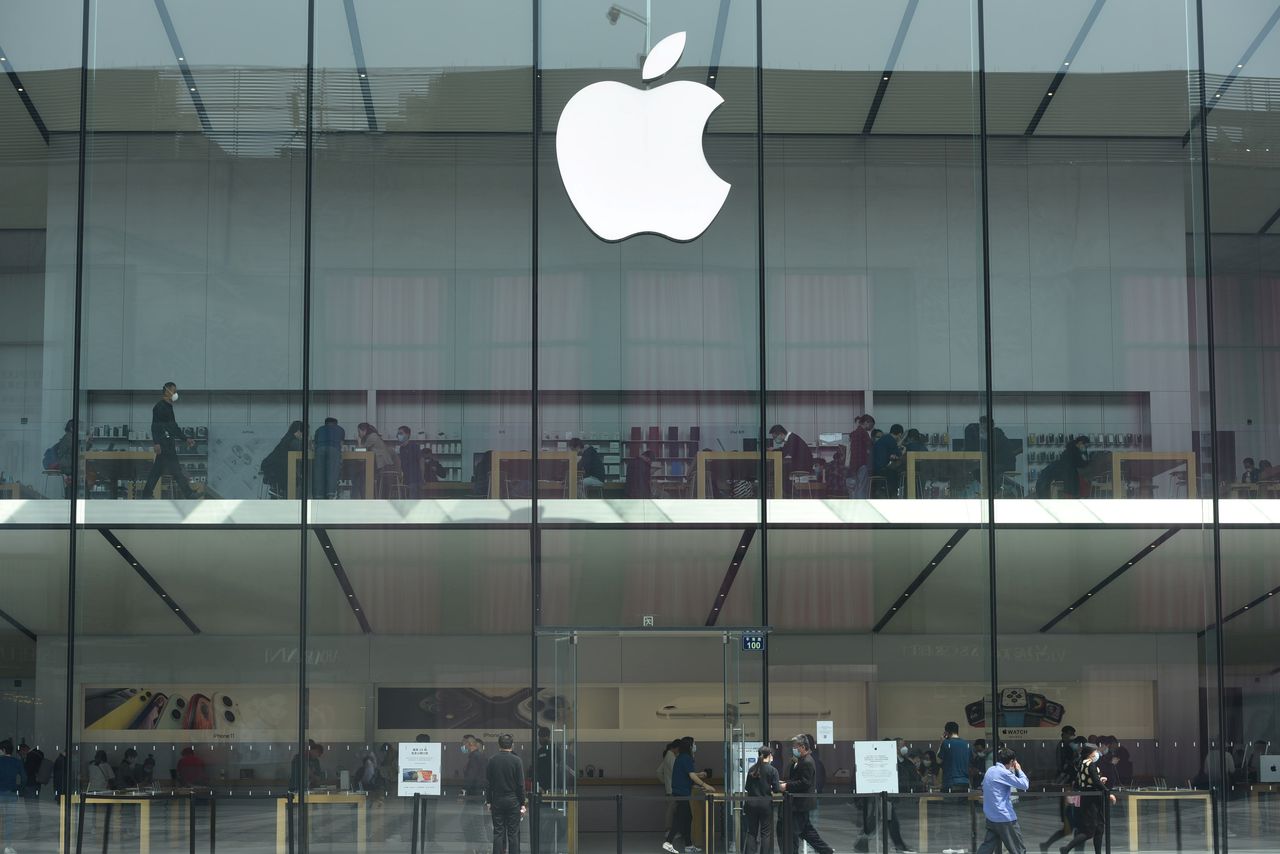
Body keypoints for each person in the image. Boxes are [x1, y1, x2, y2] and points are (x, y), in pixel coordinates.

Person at [140, 382, 197, 499]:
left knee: (161, 471)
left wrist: (185, 438)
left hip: (168, 443)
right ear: (167, 391)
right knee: (174, 470)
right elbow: (154, 426)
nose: (176, 394)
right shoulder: (159, 407)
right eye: (174, 391)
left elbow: (173, 427)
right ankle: (188, 493)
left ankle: (146, 494)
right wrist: (156, 443)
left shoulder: (168, 407)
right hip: (163, 444)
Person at [779, 734, 831, 854]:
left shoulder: (807, 761)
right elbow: (796, 778)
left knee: (795, 832)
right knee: (806, 831)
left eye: (795, 747)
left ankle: (825, 850)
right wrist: (787, 781)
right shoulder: (800, 760)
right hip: (799, 804)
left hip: (800, 804)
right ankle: (826, 851)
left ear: (802, 747)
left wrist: (786, 786)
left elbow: (805, 783)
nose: (793, 749)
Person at [1059, 743, 1115, 854]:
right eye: (1095, 751)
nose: (1097, 753)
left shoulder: (1082, 764)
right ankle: (1066, 848)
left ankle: (1097, 852)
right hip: (1092, 799)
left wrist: (1099, 780)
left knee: (1099, 828)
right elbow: (1095, 781)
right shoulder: (1091, 765)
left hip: (1089, 797)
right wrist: (1108, 792)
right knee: (1090, 831)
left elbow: (1085, 781)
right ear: (1090, 754)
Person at [663, 736, 715, 854]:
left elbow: (688, 773)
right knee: (682, 819)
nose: (695, 746)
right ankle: (669, 842)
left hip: (680, 792)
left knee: (685, 818)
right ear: (690, 746)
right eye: (694, 744)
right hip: (682, 793)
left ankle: (688, 845)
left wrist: (698, 774)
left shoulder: (681, 757)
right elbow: (691, 775)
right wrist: (705, 785)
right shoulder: (686, 758)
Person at [976, 747, 1029, 854]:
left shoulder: (990, 770)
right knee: (1018, 849)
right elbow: (1024, 785)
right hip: (1005, 818)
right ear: (1011, 761)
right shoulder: (1004, 773)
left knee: (987, 847)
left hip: (991, 817)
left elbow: (983, 785)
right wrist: (1019, 769)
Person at [485, 733, 526, 854]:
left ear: (499, 745)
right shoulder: (517, 760)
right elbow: (520, 784)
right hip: (513, 800)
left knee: (498, 832)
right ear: (512, 745)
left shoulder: (492, 760)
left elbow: (488, 783)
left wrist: (489, 801)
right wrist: (522, 803)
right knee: (513, 833)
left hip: (497, 799)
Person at [1042, 727, 1079, 852]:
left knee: (1070, 828)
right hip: (1068, 789)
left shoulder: (1064, 746)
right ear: (1065, 734)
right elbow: (1063, 766)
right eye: (1070, 735)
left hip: (1067, 788)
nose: (1071, 737)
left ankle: (1048, 845)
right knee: (1071, 827)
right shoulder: (1064, 746)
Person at [937, 722, 972, 854]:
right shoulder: (967, 744)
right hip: (964, 783)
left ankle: (952, 846)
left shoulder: (946, 743)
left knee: (949, 816)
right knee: (962, 816)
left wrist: (941, 743)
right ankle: (962, 846)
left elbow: (939, 760)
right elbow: (970, 761)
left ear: (946, 732)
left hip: (950, 783)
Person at [744, 745, 781, 854]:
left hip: (751, 804)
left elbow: (747, 787)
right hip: (765, 805)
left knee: (752, 832)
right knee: (765, 833)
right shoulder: (773, 770)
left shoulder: (752, 769)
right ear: (769, 756)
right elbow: (776, 789)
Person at [260, 420, 303, 498]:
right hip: (277, 467)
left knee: (294, 477)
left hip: (270, 465)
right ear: (298, 431)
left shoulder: (287, 437)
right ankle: (281, 492)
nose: (302, 435)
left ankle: (277, 491)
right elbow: (302, 449)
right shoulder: (293, 440)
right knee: (296, 480)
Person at [462, 735, 489, 854]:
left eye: (463, 744)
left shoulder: (475, 757)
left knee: (477, 822)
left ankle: (483, 847)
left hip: (475, 794)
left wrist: (464, 789)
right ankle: (475, 846)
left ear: (469, 744)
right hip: (477, 793)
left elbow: (471, 776)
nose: (462, 746)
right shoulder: (478, 756)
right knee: (467, 819)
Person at [769, 425, 814, 493]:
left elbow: (784, 452)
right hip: (803, 464)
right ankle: (788, 491)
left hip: (803, 465)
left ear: (781, 434)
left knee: (781, 468)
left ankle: (787, 492)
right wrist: (774, 450)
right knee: (783, 468)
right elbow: (785, 450)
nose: (774, 440)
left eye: (775, 437)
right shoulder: (791, 438)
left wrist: (773, 451)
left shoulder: (792, 439)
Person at [357, 423, 398, 495]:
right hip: (382, 464)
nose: (358, 433)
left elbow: (361, 450)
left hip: (383, 464)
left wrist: (359, 441)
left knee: (367, 478)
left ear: (364, 431)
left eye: (359, 431)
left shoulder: (372, 437)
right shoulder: (373, 436)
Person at [0, 741, 25, 852]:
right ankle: (8, 846)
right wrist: (18, 788)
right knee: (9, 821)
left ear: (4, 750)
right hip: (11, 794)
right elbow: (24, 778)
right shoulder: (17, 762)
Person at [312, 417, 345, 498]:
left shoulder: (319, 429)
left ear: (325, 423)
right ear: (336, 423)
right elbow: (341, 444)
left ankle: (318, 495)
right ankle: (331, 495)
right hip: (334, 449)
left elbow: (314, 445)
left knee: (319, 473)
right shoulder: (340, 429)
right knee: (332, 472)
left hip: (319, 449)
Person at [873, 424, 906, 497]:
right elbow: (897, 455)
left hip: (875, 467)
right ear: (900, 434)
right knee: (895, 473)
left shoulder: (884, 438)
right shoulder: (891, 440)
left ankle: (886, 492)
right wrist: (903, 451)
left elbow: (890, 454)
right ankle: (893, 495)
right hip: (881, 469)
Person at [848, 414, 875, 498]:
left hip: (854, 464)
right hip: (862, 463)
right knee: (862, 487)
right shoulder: (863, 433)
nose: (872, 427)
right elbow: (868, 448)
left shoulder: (855, 433)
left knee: (856, 487)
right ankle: (861, 506)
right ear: (867, 422)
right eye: (871, 425)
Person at [657, 740, 680, 838]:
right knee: (671, 811)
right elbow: (676, 771)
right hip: (673, 789)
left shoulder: (667, 756)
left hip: (669, 789)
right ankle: (669, 831)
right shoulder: (671, 756)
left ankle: (669, 830)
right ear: (675, 748)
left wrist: (665, 782)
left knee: (670, 810)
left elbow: (658, 771)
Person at [396, 427, 424, 498]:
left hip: (414, 479)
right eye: (398, 433)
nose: (398, 435)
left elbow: (421, 460)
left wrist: (422, 476)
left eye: (401, 433)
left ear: (408, 435)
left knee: (413, 501)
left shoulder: (414, 446)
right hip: (406, 479)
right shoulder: (401, 448)